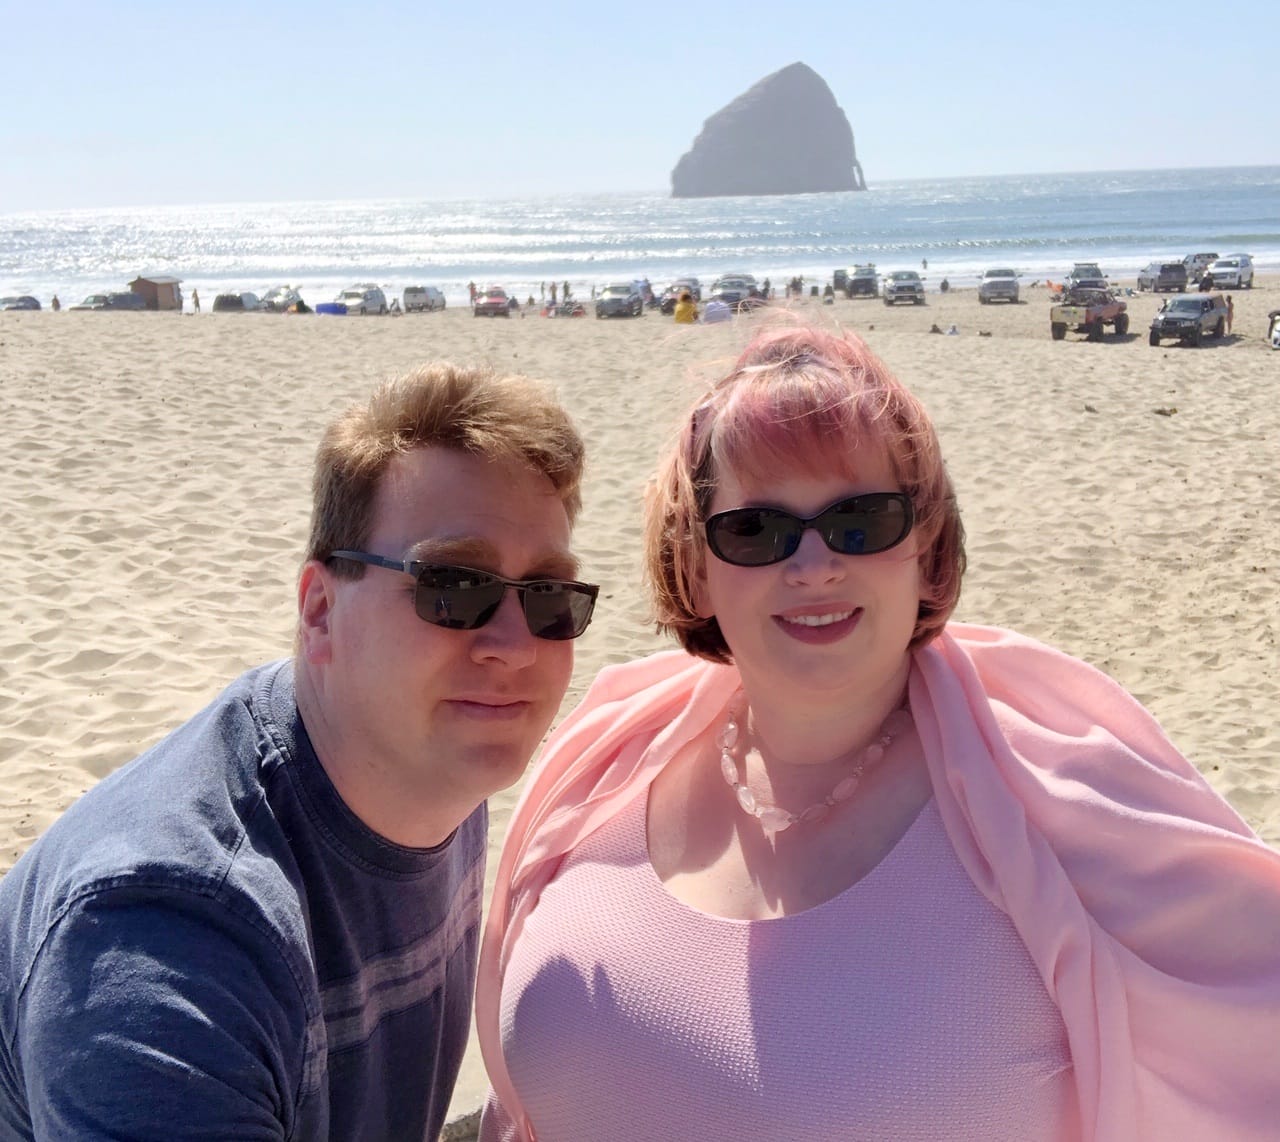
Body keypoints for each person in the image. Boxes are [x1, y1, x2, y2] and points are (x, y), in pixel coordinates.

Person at [475, 325, 1280, 1141]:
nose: (814, 565)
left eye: (861, 523)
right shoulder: (599, 763)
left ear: (925, 550)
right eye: (757, 531)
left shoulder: (1059, 802)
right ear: (695, 566)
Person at [0, 363, 597, 1140]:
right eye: (453, 588)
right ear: (319, 610)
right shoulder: (165, 942)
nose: (514, 646)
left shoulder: (432, 758)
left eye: (549, 597)